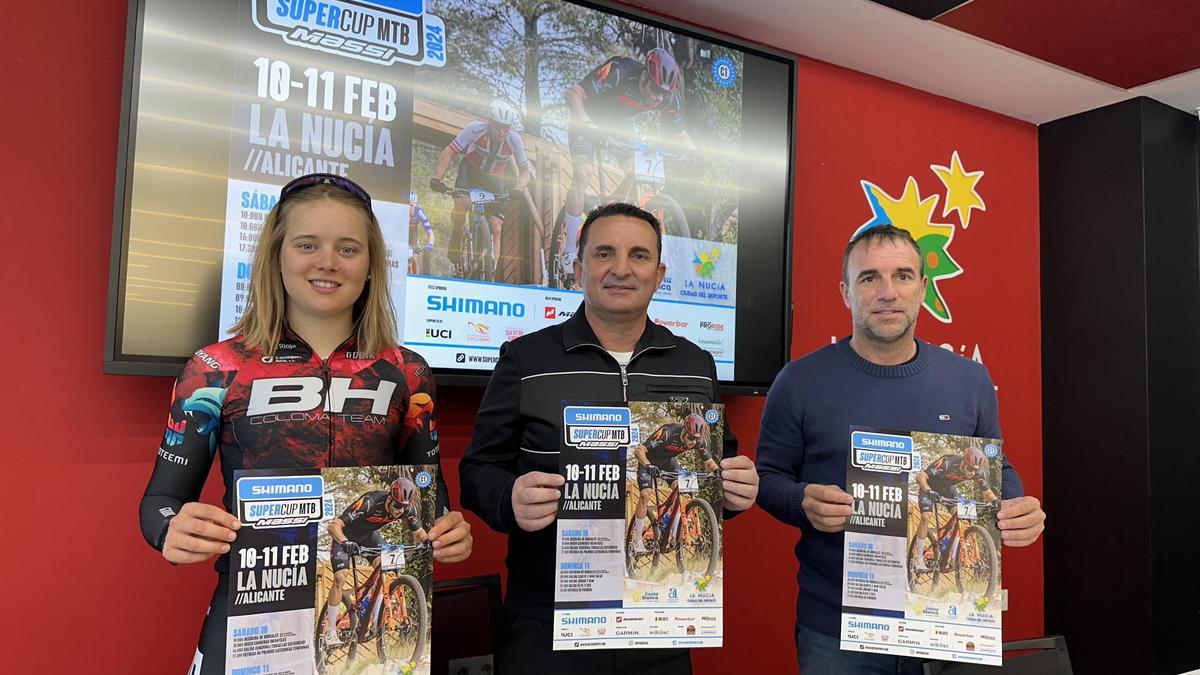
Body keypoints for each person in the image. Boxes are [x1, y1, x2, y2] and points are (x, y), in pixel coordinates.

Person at [138, 173, 473, 674]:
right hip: (252, 618)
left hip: (375, 617)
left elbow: (428, 492)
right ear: (277, 255)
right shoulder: (214, 368)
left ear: (370, 266)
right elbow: (158, 502)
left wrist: (447, 530)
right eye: (307, 244)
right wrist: (171, 529)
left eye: (348, 248)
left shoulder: (407, 371)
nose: (327, 262)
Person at [458, 201, 760, 674]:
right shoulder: (525, 358)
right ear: (578, 269)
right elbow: (477, 471)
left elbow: (716, 471)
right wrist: (508, 499)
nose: (621, 269)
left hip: (660, 621)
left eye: (638, 256)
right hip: (548, 622)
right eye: (604, 254)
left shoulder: (696, 364)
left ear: (659, 275)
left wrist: (737, 492)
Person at [754, 224, 1046, 674]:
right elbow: (767, 477)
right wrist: (801, 500)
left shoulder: (970, 381)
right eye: (869, 278)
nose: (887, 292)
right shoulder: (799, 381)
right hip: (839, 632)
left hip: (948, 617)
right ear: (846, 293)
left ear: (923, 288)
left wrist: (1015, 505)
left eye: (903, 276)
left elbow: (994, 468)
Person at [558, 48, 696, 282]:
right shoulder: (619, 71)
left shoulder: (667, 97)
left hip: (618, 126)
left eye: (663, 94)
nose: (657, 98)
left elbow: (682, 136)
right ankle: (570, 248)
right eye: (654, 90)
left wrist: (694, 154)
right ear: (644, 75)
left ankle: (609, 206)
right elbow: (573, 94)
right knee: (583, 173)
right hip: (587, 117)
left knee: (637, 169)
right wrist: (587, 123)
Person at [322, 476, 429, 645]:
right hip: (345, 537)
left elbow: (419, 533)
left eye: (404, 507)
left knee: (388, 568)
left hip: (369, 537)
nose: (399, 511)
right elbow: (333, 526)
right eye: (397, 506)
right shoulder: (370, 502)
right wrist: (345, 542)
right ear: (389, 498)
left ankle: (376, 617)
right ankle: (329, 632)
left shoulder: (408, 509)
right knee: (340, 577)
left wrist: (429, 542)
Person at [430, 99, 530, 276]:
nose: (501, 132)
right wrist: (437, 178)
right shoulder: (475, 129)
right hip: (470, 171)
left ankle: (491, 272)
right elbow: (449, 151)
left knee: (497, 226)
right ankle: (456, 233)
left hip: (494, 178)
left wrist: (519, 189)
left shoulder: (514, 140)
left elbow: (524, 172)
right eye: (498, 126)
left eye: (506, 128)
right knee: (461, 204)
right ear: (489, 121)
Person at [630, 412, 720, 553]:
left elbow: (709, 462)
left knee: (682, 490)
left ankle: (674, 535)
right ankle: (637, 540)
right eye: (690, 437)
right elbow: (639, 450)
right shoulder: (667, 433)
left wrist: (717, 470)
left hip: (669, 463)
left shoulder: (698, 441)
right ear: (684, 430)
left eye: (696, 439)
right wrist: (648, 465)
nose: (693, 442)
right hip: (648, 461)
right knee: (645, 494)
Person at [912, 446, 999, 569]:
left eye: (975, 470)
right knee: (926, 517)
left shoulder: (978, 472)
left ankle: (954, 558)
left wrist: (995, 501)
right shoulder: (947, 462)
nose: (971, 473)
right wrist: (928, 491)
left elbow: (987, 492)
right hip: (929, 487)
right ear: (963, 461)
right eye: (969, 468)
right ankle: (918, 558)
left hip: (947, 490)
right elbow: (920, 476)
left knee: (959, 514)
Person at [408, 190, 435, 275]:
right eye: (407, 205)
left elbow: (430, 232)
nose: (409, 208)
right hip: (402, 233)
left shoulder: (419, 212)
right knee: (407, 263)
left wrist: (430, 244)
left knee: (414, 259)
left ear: (415, 205)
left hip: (413, 235)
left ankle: (416, 278)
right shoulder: (401, 211)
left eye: (412, 205)